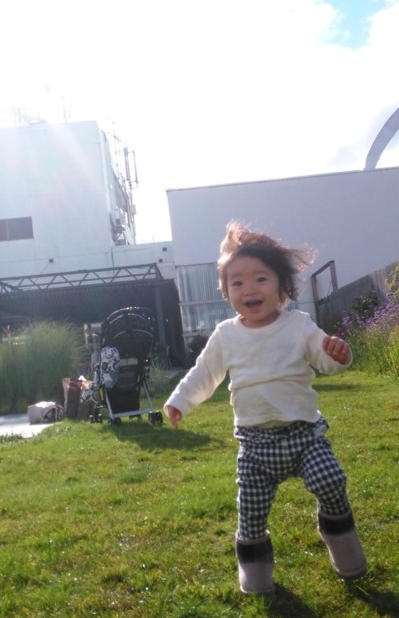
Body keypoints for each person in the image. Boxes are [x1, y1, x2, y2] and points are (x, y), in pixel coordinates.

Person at [164, 222, 366, 594]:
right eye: (237, 283)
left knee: (331, 481)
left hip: (304, 435)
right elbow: (204, 373)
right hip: (254, 446)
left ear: (282, 287)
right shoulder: (226, 335)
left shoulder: (299, 325)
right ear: (226, 293)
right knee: (251, 513)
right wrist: (179, 400)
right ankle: (255, 575)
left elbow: (326, 361)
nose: (249, 289)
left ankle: (342, 542)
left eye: (260, 278)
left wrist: (339, 354)